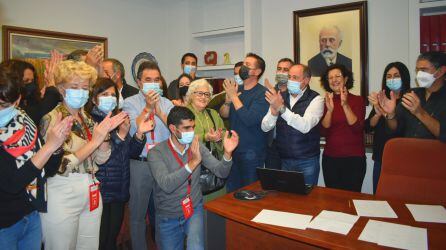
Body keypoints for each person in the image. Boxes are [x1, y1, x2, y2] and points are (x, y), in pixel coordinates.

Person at [39, 60, 127, 249]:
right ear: (62, 89)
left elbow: (100, 159)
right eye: (75, 86)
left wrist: (104, 138)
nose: (81, 91)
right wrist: (95, 141)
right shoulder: (52, 119)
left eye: (85, 87)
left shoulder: (86, 118)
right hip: (62, 189)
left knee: (89, 245)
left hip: (90, 186)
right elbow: (61, 165)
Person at [0, 65, 72, 250]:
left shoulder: (24, 121)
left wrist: (56, 148)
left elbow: (47, 170)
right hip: (4, 224)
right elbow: (12, 183)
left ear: (17, 100)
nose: (3, 110)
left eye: (6, 105)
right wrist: (48, 147)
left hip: (30, 214)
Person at [148, 106, 239, 250]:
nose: (191, 132)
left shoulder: (197, 146)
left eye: (193, 127)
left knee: (196, 247)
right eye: (186, 128)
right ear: (173, 128)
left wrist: (227, 154)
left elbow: (221, 172)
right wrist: (193, 163)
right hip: (168, 216)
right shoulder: (156, 153)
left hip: (193, 209)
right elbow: (167, 184)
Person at [86, 77, 154, 250]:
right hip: (101, 189)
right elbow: (104, 157)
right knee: (100, 239)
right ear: (94, 98)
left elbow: (130, 152)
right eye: (104, 94)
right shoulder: (90, 121)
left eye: (113, 95)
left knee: (112, 237)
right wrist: (121, 135)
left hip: (118, 188)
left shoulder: (118, 119)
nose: (110, 98)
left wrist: (138, 133)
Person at [122, 61, 174, 250]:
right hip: (140, 164)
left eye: (157, 80)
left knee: (162, 214)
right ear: (139, 82)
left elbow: (175, 129)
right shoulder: (129, 102)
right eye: (148, 80)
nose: (154, 83)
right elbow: (134, 129)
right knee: (137, 215)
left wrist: (157, 109)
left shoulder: (167, 102)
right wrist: (147, 108)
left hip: (163, 164)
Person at [262, 64, 324, 185]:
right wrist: (274, 113)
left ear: (306, 80)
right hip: (284, 160)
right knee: (287, 200)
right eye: (289, 77)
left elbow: (305, 126)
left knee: (307, 199)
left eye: (295, 77)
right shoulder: (281, 97)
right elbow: (265, 127)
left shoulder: (316, 99)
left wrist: (281, 108)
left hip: (307, 161)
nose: (290, 81)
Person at [220, 53, 269, 192]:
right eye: (243, 64)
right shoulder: (236, 89)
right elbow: (224, 114)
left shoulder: (262, 94)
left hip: (251, 153)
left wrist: (234, 96)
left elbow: (249, 119)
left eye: (248, 65)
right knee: (232, 193)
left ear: (257, 72)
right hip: (232, 150)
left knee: (250, 194)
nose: (243, 67)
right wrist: (228, 102)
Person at [377, 51, 446, 142]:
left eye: (423, 70)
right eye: (417, 70)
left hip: (436, 155)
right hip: (409, 153)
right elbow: (395, 129)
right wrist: (391, 115)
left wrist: (420, 113)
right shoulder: (411, 93)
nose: (419, 75)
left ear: (440, 71)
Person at [365, 62, 411, 193]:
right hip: (381, 157)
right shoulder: (381, 98)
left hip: (403, 159)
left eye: (396, 76)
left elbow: (398, 130)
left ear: (404, 77)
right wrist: (378, 112)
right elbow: (368, 126)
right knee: (379, 199)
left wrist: (387, 113)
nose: (392, 79)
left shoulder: (409, 100)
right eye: (389, 76)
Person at [320, 64, 366, 192]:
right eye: (330, 78)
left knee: (351, 199)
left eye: (338, 76)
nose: (334, 80)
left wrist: (345, 105)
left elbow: (357, 128)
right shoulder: (326, 101)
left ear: (345, 79)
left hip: (354, 160)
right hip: (330, 159)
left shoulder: (357, 100)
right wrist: (329, 111)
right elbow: (323, 131)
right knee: (333, 200)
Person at [0, 60, 60, 125]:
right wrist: (51, 85)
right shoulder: (9, 104)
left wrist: (46, 89)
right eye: (26, 81)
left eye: (32, 81)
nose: (31, 85)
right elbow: (37, 113)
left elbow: (35, 107)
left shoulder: (26, 97)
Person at [264, 58, 294, 170]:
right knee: (272, 184)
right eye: (279, 69)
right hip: (272, 146)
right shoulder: (268, 92)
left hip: (289, 147)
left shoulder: (295, 93)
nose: (281, 72)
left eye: (286, 69)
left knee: (290, 184)